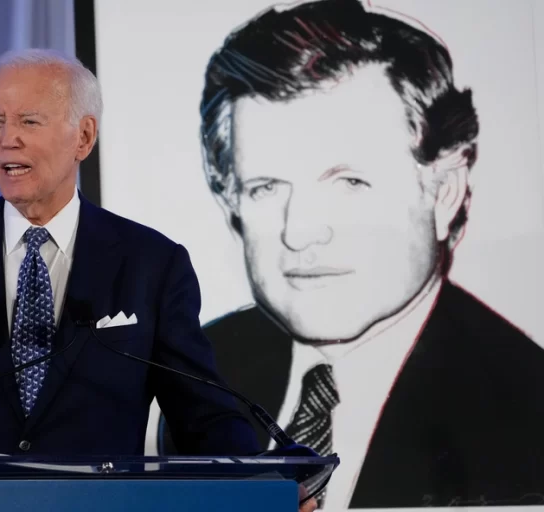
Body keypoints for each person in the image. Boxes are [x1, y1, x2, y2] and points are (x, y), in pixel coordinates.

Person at [0, 48, 319, 512]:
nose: (5, 138)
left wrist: (262, 493)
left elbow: (203, 417)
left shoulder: (150, 264)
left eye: (28, 122)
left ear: (83, 137)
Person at [155, 0, 544, 508]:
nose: (300, 232)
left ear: (444, 191)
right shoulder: (202, 372)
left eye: (350, 182)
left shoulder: (525, 408)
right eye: (266, 187)